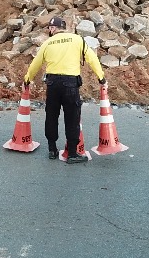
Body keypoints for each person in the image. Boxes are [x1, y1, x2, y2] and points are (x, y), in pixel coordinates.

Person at [23, 16, 106, 163]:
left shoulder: (47, 43)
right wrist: (101, 78)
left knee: (51, 116)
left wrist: (27, 80)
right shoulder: (77, 39)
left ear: (53, 28)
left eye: (50, 28)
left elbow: (35, 64)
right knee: (72, 117)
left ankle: (52, 149)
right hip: (70, 84)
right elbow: (92, 58)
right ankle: (72, 154)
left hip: (53, 84)